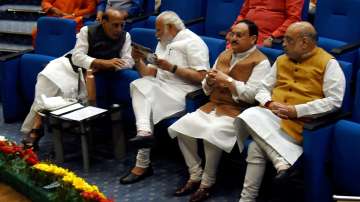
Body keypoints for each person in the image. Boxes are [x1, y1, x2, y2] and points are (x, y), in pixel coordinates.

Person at [234, 22, 346, 202]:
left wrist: (297, 110)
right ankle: (281, 164)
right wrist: (269, 103)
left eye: (288, 40)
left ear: (304, 42)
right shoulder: (281, 60)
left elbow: (335, 101)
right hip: (272, 118)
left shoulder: (329, 64)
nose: (283, 43)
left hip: (300, 125)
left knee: (255, 144)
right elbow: (262, 89)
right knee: (249, 115)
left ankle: (247, 198)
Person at [168, 20, 271, 202]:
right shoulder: (224, 54)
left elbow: (252, 97)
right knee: (180, 127)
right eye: (232, 34)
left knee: (212, 133)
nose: (233, 38)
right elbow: (206, 89)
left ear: (253, 39)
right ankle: (195, 174)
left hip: (238, 113)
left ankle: (207, 184)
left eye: (239, 35)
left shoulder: (261, 63)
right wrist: (208, 82)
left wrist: (228, 81)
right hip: (213, 106)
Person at [21, 9, 134, 150]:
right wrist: (100, 62)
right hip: (67, 66)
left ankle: (36, 130)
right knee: (47, 78)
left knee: (60, 90)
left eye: (122, 25)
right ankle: (37, 126)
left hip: (86, 74)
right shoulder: (87, 31)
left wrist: (110, 66)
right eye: (115, 25)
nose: (119, 29)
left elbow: (129, 61)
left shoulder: (125, 36)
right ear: (104, 22)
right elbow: (77, 57)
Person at [119, 11, 210, 184]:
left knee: (145, 104)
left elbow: (202, 77)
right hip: (162, 90)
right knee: (139, 86)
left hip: (184, 95)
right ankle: (144, 134)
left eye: (159, 29)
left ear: (171, 27)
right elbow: (148, 75)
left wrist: (172, 68)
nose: (156, 34)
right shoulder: (163, 42)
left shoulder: (193, 42)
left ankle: (142, 163)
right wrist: (138, 61)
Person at [228, 0, 304, 47]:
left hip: (267, 37)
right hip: (244, 34)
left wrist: (272, 37)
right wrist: (233, 29)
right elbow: (242, 14)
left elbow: (293, 18)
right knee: (226, 57)